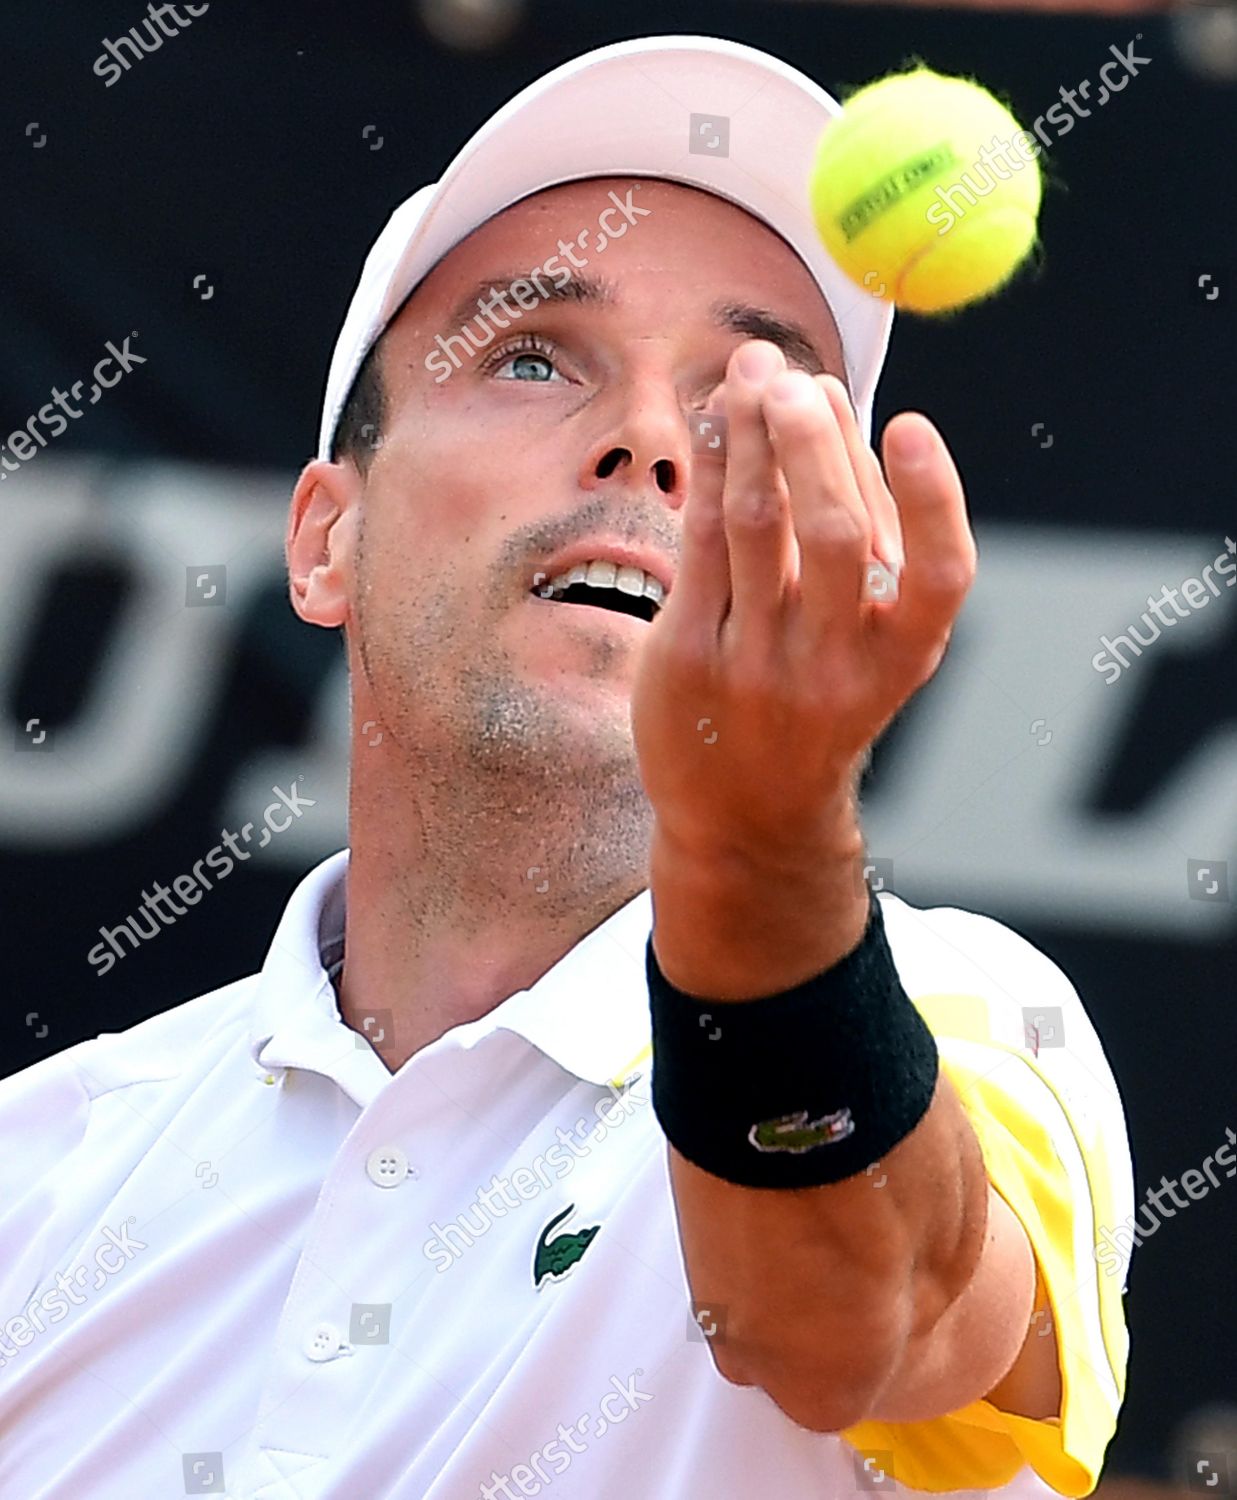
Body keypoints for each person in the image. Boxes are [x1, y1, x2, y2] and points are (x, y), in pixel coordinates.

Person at [0, 33, 1134, 1500]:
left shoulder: (978, 1019)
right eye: (532, 356)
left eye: (746, 392)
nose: (654, 442)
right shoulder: (39, 1169)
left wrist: (761, 843)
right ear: (323, 537)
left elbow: (860, 1328)